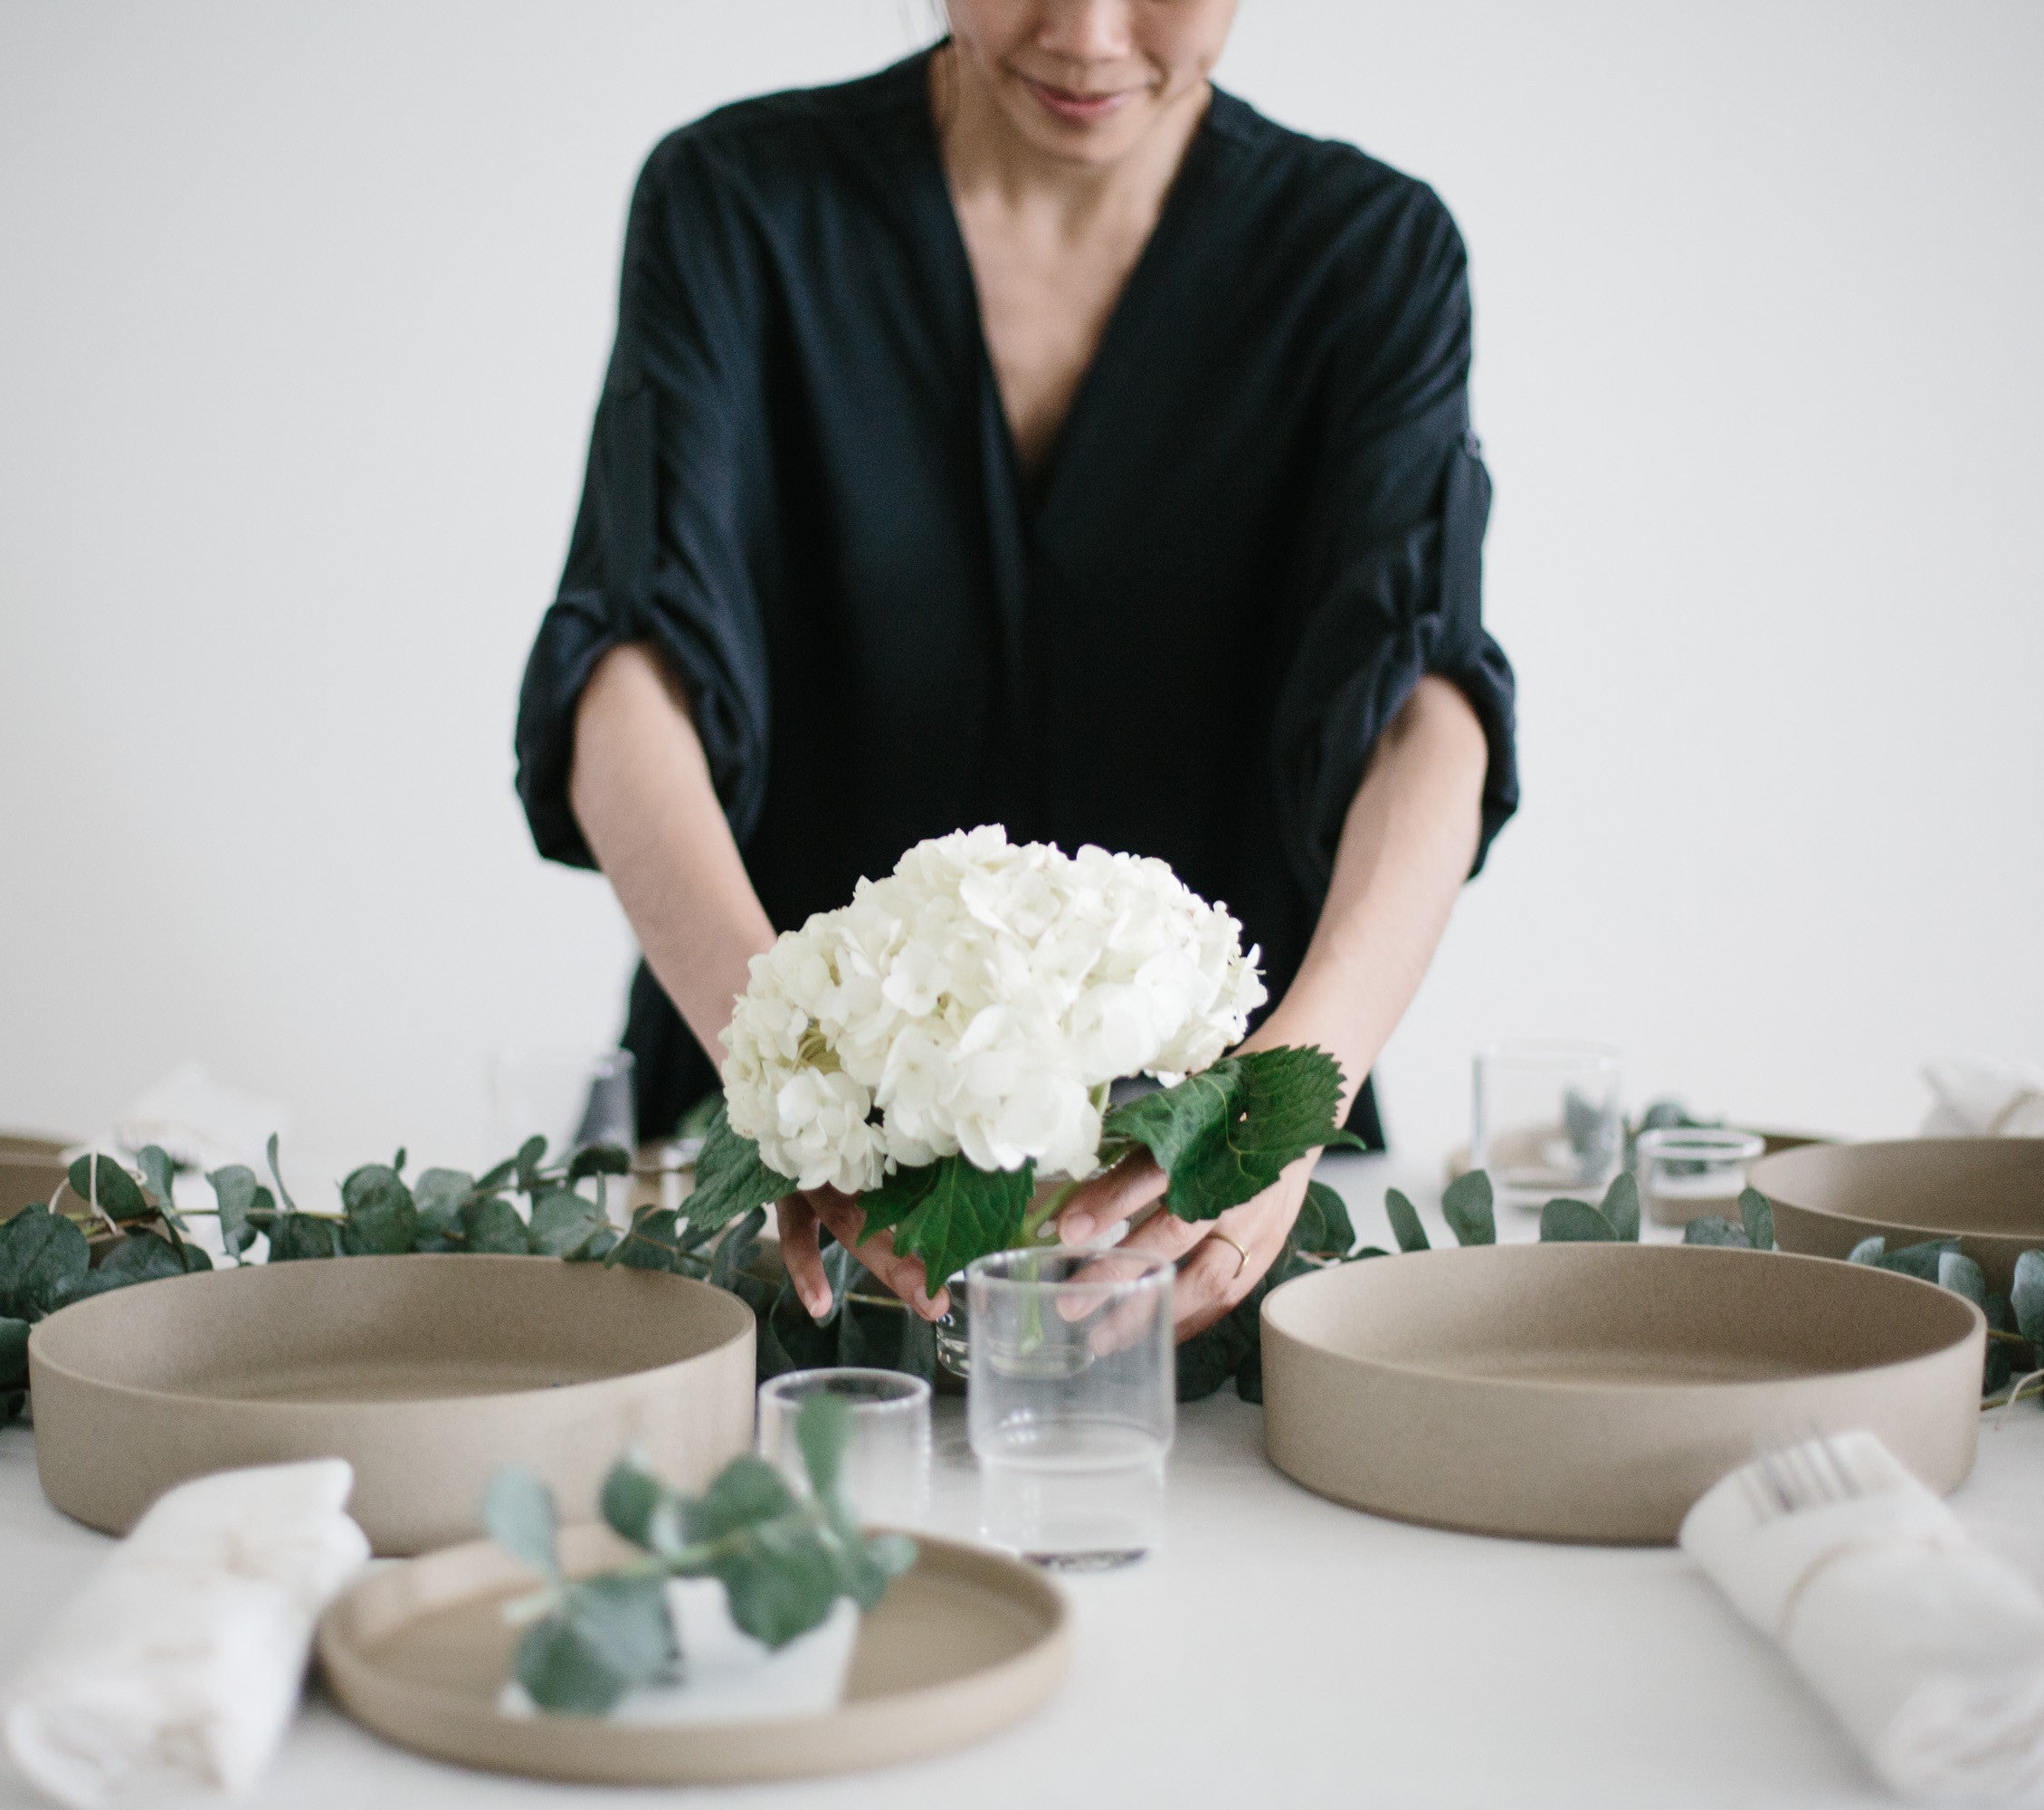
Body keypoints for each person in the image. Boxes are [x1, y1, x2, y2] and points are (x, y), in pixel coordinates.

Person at [516, 0, 1516, 1339]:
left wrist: (1283, 1104)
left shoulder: (1376, 251)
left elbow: (1423, 702)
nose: (1090, 34)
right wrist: (786, 1079)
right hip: (780, 1158)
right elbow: (628, 663)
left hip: (1204, 1168)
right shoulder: (735, 202)